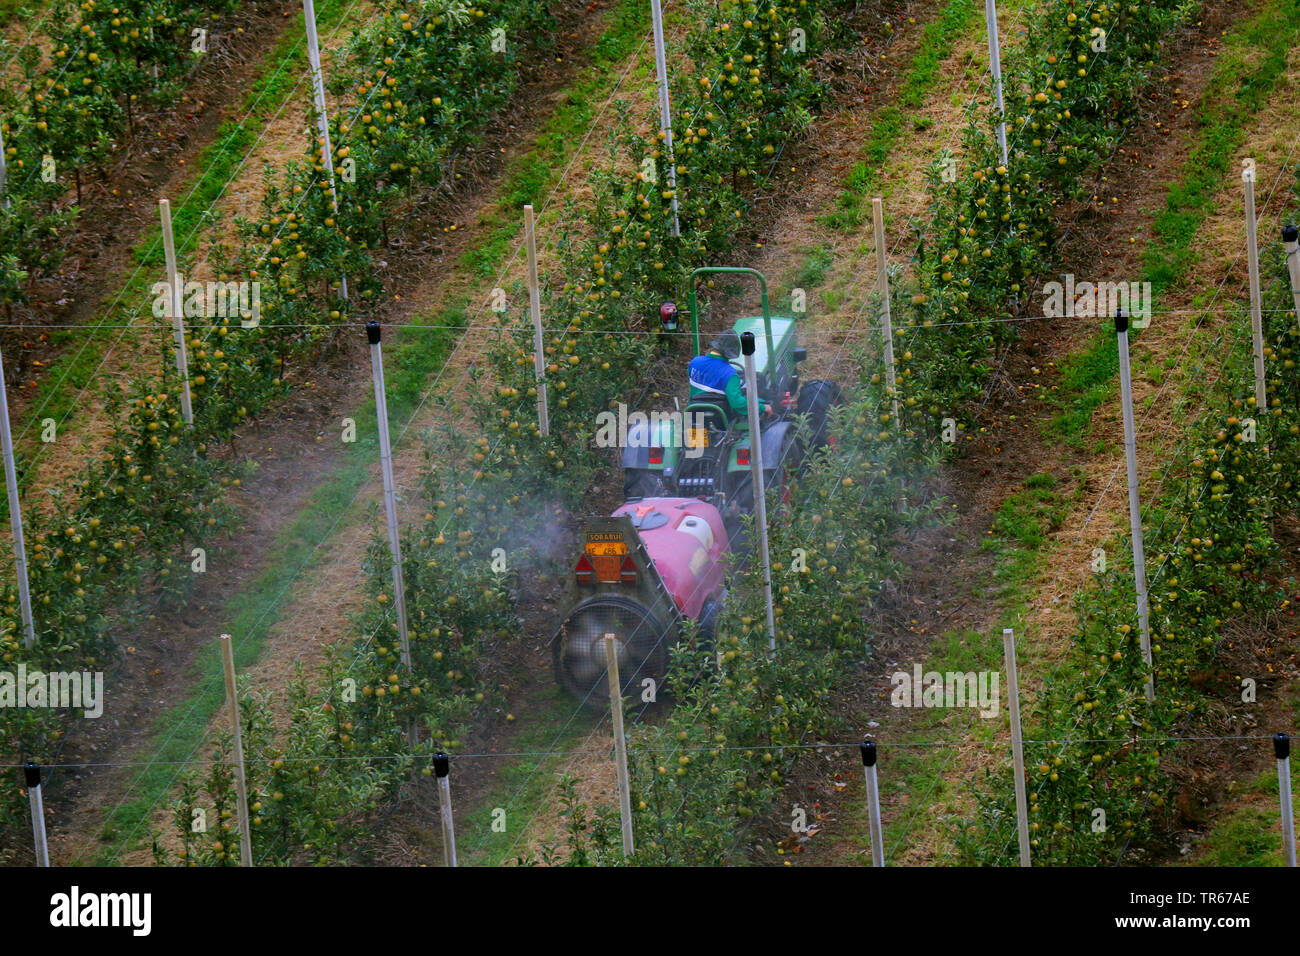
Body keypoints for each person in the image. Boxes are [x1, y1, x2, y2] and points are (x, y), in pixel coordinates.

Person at [688, 330, 771, 422]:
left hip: (694, 416)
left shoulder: (695, 362)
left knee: (698, 436)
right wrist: (761, 407)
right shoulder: (730, 374)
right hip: (719, 420)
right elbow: (737, 403)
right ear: (731, 353)